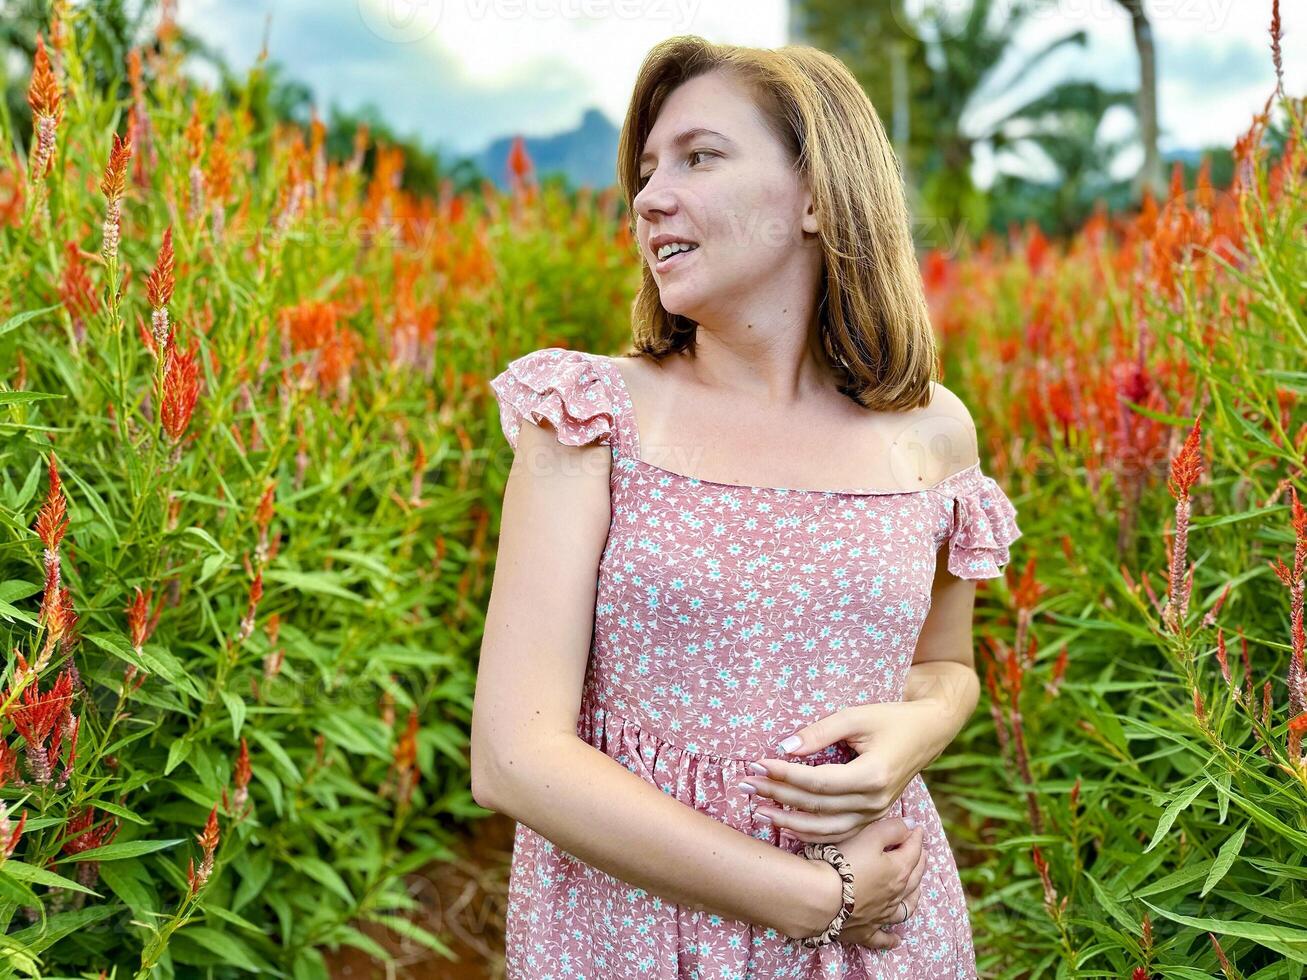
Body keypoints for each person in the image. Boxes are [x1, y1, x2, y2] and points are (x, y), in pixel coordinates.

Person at [472, 34, 1022, 979]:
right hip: (638, 931)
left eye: (699, 156)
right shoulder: (590, 415)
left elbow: (944, 662)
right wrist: (810, 897)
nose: (648, 197)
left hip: (884, 932)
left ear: (818, 196)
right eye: (645, 170)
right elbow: (513, 755)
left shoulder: (931, 432)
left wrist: (921, 730)